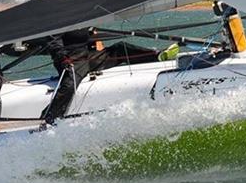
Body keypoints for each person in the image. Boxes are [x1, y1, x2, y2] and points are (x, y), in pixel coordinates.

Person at [35, 28, 179, 126]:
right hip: (71, 61)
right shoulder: (61, 18)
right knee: (69, 85)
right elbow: (53, 43)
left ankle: (157, 56)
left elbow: (93, 39)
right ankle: (50, 118)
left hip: (88, 58)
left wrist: (96, 41)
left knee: (120, 48)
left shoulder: (81, 16)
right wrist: (63, 59)